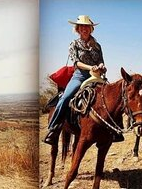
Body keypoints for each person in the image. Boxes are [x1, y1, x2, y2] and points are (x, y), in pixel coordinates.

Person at [44, 15, 110, 145]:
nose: (84, 29)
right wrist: (91, 67)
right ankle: (53, 129)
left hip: (96, 76)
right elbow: (77, 63)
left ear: (91, 29)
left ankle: (114, 130)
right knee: (65, 97)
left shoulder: (97, 46)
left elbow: (101, 61)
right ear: (78, 29)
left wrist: (101, 66)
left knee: (112, 96)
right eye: (82, 27)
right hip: (80, 76)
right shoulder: (74, 44)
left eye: (87, 27)